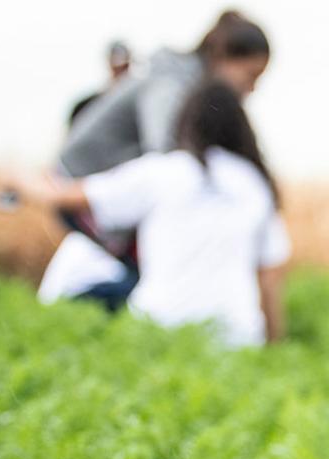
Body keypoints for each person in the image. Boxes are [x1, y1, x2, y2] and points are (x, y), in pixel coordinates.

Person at [10, 79, 291, 348]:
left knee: (91, 298)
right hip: (235, 338)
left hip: (159, 329)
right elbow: (269, 278)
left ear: (185, 123)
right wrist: (274, 345)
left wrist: (19, 181)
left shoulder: (163, 171)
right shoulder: (254, 184)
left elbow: (70, 197)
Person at [53, 11, 273, 309]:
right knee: (156, 271)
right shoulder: (170, 83)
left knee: (161, 270)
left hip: (98, 185)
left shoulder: (188, 83)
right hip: (77, 185)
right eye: (250, 76)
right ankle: (80, 312)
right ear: (223, 58)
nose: (251, 88)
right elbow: (164, 152)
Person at [69, 41, 133, 127]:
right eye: (116, 67)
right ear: (109, 65)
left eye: (124, 67)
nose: (120, 72)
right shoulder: (86, 106)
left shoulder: (138, 105)